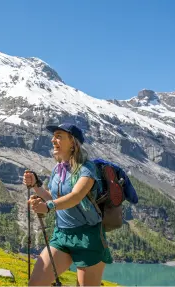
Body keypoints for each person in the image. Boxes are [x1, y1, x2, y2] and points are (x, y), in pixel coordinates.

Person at [23, 122, 113, 286]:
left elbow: (75, 196)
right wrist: (36, 186)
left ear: (73, 142)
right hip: (62, 235)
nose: (53, 140)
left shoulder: (87, 168)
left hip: (88, 237)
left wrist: (48, 207)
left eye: (58, 136)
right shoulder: (59, 169)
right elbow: (52, 197)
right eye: (53, 136)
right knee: (35, 284)